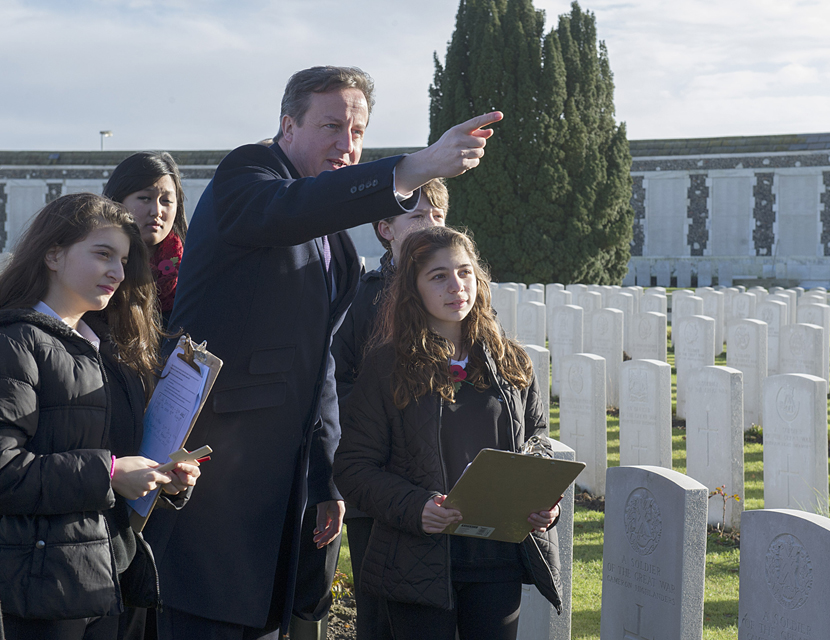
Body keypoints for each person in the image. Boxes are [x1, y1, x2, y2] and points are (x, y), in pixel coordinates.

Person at [143, 65, 502, 640]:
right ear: (287, 125)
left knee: (271, 620)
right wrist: (414, 169)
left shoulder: (336, 233)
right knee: (205, 618)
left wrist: (329, 479)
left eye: (358, 131)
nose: (347, 144)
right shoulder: (247, 175)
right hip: (221, 464)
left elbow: (323, 364)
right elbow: (289, 208)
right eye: (331, 125)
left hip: (289, 474)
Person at [333, 226, 562, 640]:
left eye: (464, 272)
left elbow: (537, 442)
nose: (456, 286)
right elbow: (353, 468)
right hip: (419, 560)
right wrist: (415, 506)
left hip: (497, 560)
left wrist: (544, 504)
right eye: (438, 276)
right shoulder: (386, 367)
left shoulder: (511, 361)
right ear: (413, 289)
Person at [0, 193, 199, 640]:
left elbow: (120, 457)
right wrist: (109, 474)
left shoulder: (106, 349)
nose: (118, 272)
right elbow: (4, 471)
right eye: (103, 254)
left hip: (110, 576)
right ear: (53, 254)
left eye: (124, 259)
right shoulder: (15, 343)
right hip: (40, 594)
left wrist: (160, 475)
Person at [331, 178, 447, 640]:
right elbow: (336, 382)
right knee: (383, 620)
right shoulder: (363, 295)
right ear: (385, 228)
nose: (431, 225)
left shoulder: (460, 294)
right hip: (379, 483)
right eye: (417, 216)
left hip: (445, 482)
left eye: (438, 215)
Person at [103, 151, 188, 330]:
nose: (156, 211)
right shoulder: (95, 270)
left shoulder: (193, 273)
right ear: (117, 201)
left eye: (166, 200)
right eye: (145, 198)